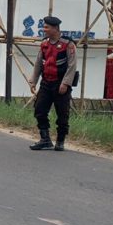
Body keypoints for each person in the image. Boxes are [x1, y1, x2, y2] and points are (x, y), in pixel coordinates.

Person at [29, 15, 77, 152]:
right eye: (44, 27)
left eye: (47, 27)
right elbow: (39, 63)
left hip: (60, 84)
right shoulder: (44, 44)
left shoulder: (68, 44)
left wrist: (65, 83)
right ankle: (45, 140)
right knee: (39, 109)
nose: (44, 29)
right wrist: (33, 81)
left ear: (55, 28)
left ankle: (60, 141)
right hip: (46, 83)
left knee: (62, 114)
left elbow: (72, 65)